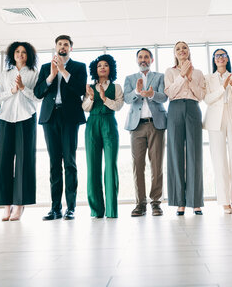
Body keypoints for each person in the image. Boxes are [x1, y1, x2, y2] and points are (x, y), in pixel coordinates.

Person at [34, 35, 87, 221]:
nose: (63, 47)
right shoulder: (44, 68)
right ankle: (55, 208)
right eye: (60, 44)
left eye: (66, 44)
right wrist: (51, 76)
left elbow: (81, 90)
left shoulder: (79, 67)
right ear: (55, 47)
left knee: (70, 163)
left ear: (70, 48)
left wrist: (64, 71)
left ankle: (70, 208)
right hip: (50, 118)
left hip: (70, 118)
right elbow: (38, 92)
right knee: (54, 163)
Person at [0, 42, 39, 221]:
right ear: (13, 55)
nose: (20, 55)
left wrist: (23, 89)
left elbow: (38, 97)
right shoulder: (5, 74)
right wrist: (12, 90)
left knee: (24, 161)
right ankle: (6, 206)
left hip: (27, 118)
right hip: (6, 118)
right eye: (17, 52)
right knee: (3, 160)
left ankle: (19, 206)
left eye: (24, 52)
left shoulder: (34, 73)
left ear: (28, 55)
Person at [123, 48, 168, 217]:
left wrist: (152, 94)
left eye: (146, 57)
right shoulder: (130, 79)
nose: (143, 59)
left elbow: (164, 97)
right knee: (138, 166)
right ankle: (140, 203)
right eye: (140, 57)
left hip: (156, 124)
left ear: (151, 59)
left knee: (157, 164)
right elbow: (127, 99)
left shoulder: (160, 77)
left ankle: (156, 203)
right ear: (137, 60)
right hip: (136, 126)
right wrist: (136, 91)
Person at [164, 41, 206, 216]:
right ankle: (179, 202)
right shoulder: (170, 72)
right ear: (175, 53)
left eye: (185, 48)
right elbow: (170, 93)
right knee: (175, 152)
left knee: (194, 154)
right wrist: (181, 75)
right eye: (178, 49)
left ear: (189, 51)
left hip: (193, 108)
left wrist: (189, 77)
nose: (182, 51)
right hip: (174, 108)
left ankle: (195, 202)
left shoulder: (198, 72)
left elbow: (201, 95)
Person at [203, 48, 232, 214]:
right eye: (217, 56)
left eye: (223, 55)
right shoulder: (208, 78)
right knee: (219, 160)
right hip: (215, 120)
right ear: (214, 59)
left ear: (227, 59)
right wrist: (223, 87)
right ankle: (224, 201)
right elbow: (207, 99)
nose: (220, 58)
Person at [82, 54, 124, 218]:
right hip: (92, 124)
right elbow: (85, 108)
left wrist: (105, 98)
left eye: (106, 65)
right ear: (95, 69)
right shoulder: (89, 87)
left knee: (110, 165)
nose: (102, 68)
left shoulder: (117, 87)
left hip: (109, 124)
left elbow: (118, 106)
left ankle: (112, 210)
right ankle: (97, 210)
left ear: (110, 68)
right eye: (99, 65)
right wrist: (92, 97)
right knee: (92, 167)